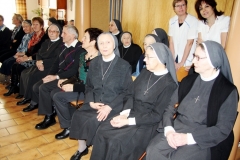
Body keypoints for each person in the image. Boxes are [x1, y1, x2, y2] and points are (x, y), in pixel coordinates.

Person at [146, 41, 238, 160]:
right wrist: (169, 130)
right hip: (177, 128)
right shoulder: (188, 81)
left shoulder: (228, 91)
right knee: (153, 151)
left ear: (213, 60)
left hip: (201, 137)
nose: (193, 61)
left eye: (198, 58)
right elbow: (169, 108)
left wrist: (187, 138)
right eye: (194, 56)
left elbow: (223, 128)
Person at [90, 42, 178, 160]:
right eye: (145, 56)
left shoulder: (169, 84)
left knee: (117, 142)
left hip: (146, 123)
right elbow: (130, 93)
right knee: (102, 130)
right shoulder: (145, 72)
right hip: (131, 112)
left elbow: (156, 116)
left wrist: (127, 121)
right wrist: (124, 114)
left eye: (148, 57)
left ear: (160, 59)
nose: (144, 60)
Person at [69, 32, 132, 160]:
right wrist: (91, 102)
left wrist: (109, 106)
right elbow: (89, 86)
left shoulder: (124, 66)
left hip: (113, 105)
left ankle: (96, 153)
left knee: (94, 120)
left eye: (108, 42)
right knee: (78, 115)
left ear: (114, 44)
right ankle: (82, 148)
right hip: (95, 102)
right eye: (101, 43)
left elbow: (127, 92)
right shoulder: (94, 63)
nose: (104, 46)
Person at [53, 27, 103, 139]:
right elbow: (77, 75)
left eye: (85, 37)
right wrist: (65, 81)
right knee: (55, 93)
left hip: (92, 93)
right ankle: (72, 124)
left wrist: (74, 87)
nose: (82, 39)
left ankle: (69, 127)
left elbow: (95, 86)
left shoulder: (99, 60)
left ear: (93, 42)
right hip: (81, 87)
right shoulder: (82, 56)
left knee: (59, 96)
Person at [33, 25, 85, 128]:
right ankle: (51, 111)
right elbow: (56, 64)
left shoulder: (80, 49)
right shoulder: (63, 46)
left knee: (44, 88)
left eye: (64, 33)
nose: (61, 35)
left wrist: (56, 77)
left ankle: (49, 117)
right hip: (60, 75)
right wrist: (49, 75)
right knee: (37, 87)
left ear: (72, 35)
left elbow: (74, 70)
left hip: (71, 78)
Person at [16, 23, 62, 108]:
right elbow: (39, 53)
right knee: (25, 73)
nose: (51, 33)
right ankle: (26, 96)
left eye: (54, 31)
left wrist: (42, 62)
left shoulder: (61, 43)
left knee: (33, 76)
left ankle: (34, 102)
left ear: (58, 33)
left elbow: (56, 59)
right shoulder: (46, 42)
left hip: (51, 67)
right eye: (50, 31)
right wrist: (38, 61)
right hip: (40, 64)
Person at [3, 17, 48, 97]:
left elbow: (39, 53)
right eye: (33, 24)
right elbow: (28, 50)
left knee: (19, 67)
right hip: (29, 57)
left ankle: (21, 89)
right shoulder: (33, 36)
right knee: (15, 65)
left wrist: (27, 58)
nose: (34, 26)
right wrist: (24, 56)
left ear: (41, 26)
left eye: (36, 24)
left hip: (37, 59)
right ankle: (14, 87)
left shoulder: (44, 37)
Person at [168, 0, 198, 72]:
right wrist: (173, 61)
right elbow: (171, 42)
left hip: (187, 58)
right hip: (175, 56)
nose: (180, 8)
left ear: (186, 6)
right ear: (174, 9)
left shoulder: (193, 21)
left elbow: (190, 43)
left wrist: (182, 62)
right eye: (178, 6)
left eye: (183, 5)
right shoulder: (172, 21)